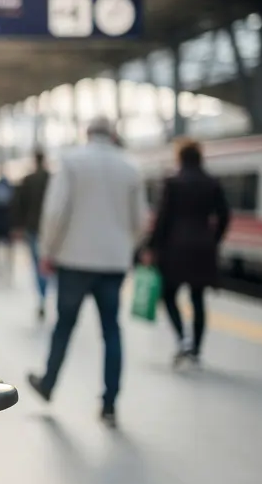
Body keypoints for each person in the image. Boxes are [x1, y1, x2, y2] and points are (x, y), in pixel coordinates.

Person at [26, 117, 149, 427]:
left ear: (88, 133)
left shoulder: (71, 161)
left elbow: (56, 211)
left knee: (64, 325)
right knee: (111, 330)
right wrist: (123, 248)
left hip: (74, 262)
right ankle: (109, 403)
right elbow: (141, 221)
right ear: (113, 135)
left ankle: (49, 383)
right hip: (113, 265)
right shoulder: (131, 167)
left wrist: (48, 251)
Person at [145, 138, 230, 367]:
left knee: (168, 295)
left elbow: (162, 219)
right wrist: (213, 239)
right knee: (198, 298)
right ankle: (196, 349)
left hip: (175, 248)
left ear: (180, 157)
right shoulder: (213, 183)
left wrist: (151, 247)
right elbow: (224, 216)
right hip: (203, 248)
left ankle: (182, 338)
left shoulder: (173, 183)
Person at [11, 151, 51, 319]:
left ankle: (42, 296)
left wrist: (18, 227)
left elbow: (19, 205)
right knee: (48, 263)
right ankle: (46, 291)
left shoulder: (28, 180)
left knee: (37, 264)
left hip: (33, 228)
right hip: (49, 229)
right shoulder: (52, 179)